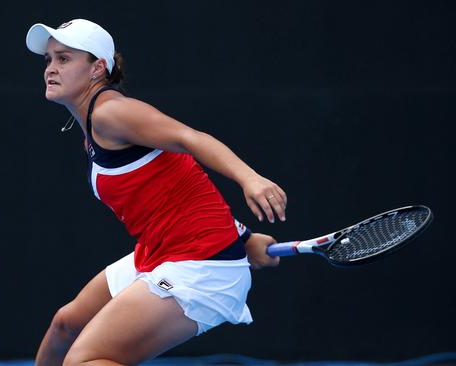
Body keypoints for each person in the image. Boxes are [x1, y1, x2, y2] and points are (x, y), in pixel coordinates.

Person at [26, 18, 287, 366]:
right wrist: (244, 235)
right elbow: (177, 187)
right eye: (48, 60)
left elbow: (190, 139)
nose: (51, 69)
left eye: (64, 59)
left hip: (202, 266)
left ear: (97, 68)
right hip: (165, 250)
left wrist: (249, 178)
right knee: (65, 326)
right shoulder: (92, 127)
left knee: (83, 361)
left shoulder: (111, 113)